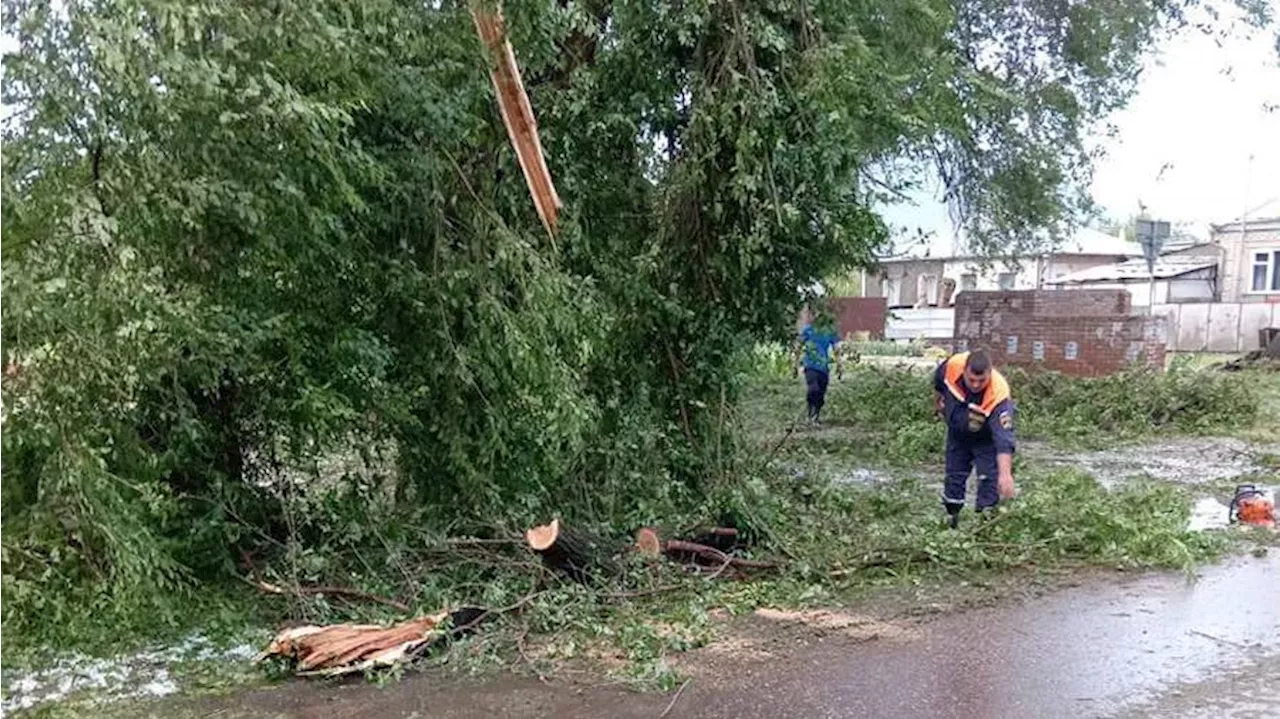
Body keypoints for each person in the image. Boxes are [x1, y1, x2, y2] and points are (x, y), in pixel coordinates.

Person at [933, 349, 1016, 528]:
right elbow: (939, 383)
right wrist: (938, 403)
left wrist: (1006, 474)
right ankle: (951, 522)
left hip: (985, 440)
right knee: (954, 478)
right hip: (957, 434)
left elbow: (1004, 439)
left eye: (982, 380)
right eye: (971, 380)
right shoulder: (953, 366)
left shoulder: (999, 393)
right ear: (964, 371)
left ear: (990, 373)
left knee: (989, 483)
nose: (976, 385)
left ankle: (984, 527)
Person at [794, 307, 842, 425]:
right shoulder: (808, 331)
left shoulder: (830, 332)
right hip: (810, 365)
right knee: (813, 389)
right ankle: (811, 413)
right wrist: (794, 365)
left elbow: (836, 349)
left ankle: (817, 414)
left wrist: (840, 366)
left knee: (821, 393)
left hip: (824, 367)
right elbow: (798, 347)